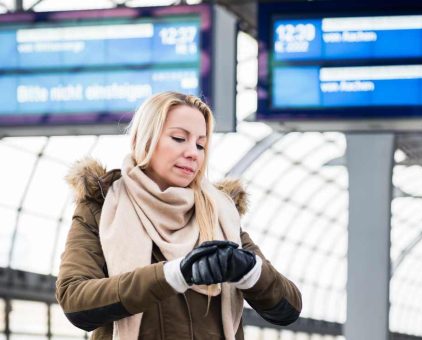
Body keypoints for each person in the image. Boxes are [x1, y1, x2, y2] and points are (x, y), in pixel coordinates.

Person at [56, 91, 302, 339]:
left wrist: (249, 270)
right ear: (143, 139)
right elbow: (75, 299)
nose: (193, 153)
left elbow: (288, 308)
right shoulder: (102, 207)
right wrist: (174, 274)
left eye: (200, 144)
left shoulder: (221, 213)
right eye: (178, 138)